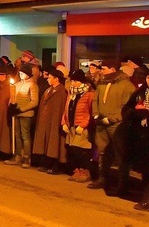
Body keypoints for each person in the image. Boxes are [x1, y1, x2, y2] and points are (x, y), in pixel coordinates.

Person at [89, 59, 136, 192]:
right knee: (103, 152)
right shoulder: (102, 84)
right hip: (101, 123)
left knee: (120, 154)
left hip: (116, 125)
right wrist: (96, 115)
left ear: (113, 70)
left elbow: (126, 107)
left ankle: (122, 183)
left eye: (104, 69)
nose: (101, 71)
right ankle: (103, 178)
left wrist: (111, 119)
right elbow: (95, 100)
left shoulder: (126, 85)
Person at [123, 67, 149, 210]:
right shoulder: (140, 93)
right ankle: (146, 197)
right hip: (142, 136)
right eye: (148, 78)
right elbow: (126, 109)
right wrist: (136, 113)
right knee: (145, 169)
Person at [33, 69, 68, 174]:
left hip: (54, 121)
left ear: (56, 79)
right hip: (46, 120)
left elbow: (60, 108)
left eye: (50, 77)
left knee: (54, 143)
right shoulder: (48, 90)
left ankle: (55, 165)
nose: (47, 79)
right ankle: (47, 163)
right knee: (45, 142)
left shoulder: (61, 91)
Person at [62, 69, 95, 183]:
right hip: (71, 125)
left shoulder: (89, 94)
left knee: (80, 149)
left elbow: (89, 112)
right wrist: (64, 122)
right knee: (73, 150)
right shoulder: (72, 94)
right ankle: (77, 171)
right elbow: (66, 109)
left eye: (75, 81)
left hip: (81, 126)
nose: (72, 84)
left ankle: (85, 171)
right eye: (72, 81)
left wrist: (83, 125)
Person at [5, 62, 39, 168]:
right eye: (20, 73)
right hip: (16, 113)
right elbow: (13, 97)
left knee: (25, 136)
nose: (20, 75)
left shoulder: (32, 85)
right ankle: (18, 155)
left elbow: (34, 101)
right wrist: (11, 106)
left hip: (26, 113)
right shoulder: (17, 84)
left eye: (23, 73)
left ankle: (26, 157)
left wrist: (21, 109)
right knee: (17, 135)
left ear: (28, 74)